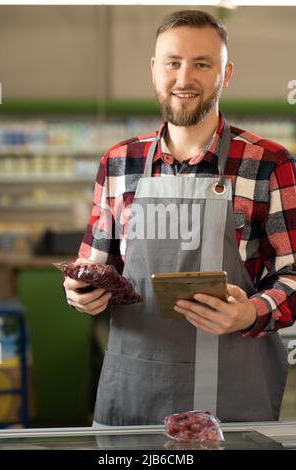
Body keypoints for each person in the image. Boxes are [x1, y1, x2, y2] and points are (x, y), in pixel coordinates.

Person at [64, 10, 296, 425]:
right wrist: (82, 292)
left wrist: (252, 311)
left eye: (202, 64)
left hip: (234, 397)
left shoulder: (268, 163)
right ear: (155, 70)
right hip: (133, 390)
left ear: (225, 74)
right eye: (173, 63)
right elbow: (94, 267)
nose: (184, 78)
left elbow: (293, 274)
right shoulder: (119, 163)